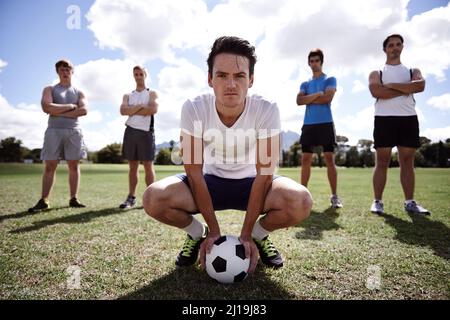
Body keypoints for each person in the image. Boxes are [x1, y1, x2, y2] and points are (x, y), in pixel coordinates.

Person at [143, 36, 313, 274]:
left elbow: (264, 175)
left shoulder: (266, 109)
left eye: (239, 76)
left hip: (254, 185)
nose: (231, 84)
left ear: (251, 80)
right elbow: (193, 173)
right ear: (210, 79)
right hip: (209, 182)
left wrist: (246, 234)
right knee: (153, 198)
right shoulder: (193, 108)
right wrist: (212, 230)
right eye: (222, 75)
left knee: (301, 201)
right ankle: (196, 234)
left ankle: (260, 236)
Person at [368, 34, 429, 215]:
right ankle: (377, 201)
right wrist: (405, 88)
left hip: (408, 118)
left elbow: (420, 86)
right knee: (382, 162)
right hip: (384, 119)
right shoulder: (377, 73)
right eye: (391, 45)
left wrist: (391, 86)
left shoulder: (412, 71)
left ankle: (410, 202)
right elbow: (376, 91)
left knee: (407, 161)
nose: (395, 47)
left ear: (402, 47)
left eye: (398, 44)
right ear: (385, 49)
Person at [28, 59, 88, 213]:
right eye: (62, 69)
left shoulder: (79, 92)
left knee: (74, 165)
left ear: (72, 71)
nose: (65, 72)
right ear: (57, 72)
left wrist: (57, 110)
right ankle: (44, 200)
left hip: (74, 132)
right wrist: (69, 107)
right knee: (50, 166)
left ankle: (74, 198)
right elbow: (46, 107)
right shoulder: (49, 89)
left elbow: (83, 111)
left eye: (68, 69)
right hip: (53, 131)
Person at [296, 49, 343, 209]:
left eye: (317, 60)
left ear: (321, 62)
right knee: (306, 160)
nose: (314, 63)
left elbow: (328, 98)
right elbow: (299, 100)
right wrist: (317, 95)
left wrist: (310, 98)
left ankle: (335, 196)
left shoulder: (330, 79)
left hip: (325, 123)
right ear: (309, 63)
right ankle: (302, 194)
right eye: (312, 61)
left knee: (329, 159)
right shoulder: (305, 83)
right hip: (309, 125)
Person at [119, 66, 158, 209]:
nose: (138, 76)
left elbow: (153, 109)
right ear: (133, 76)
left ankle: (153, 197)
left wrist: (132, 110)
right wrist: (141, 107)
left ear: (145, 75)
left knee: (148, 165)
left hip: (146, 133)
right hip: (130, 132)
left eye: (141, 74)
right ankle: (131, 197)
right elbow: (123, 110)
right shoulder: (128, 95)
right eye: (136, 74)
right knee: (133, 167)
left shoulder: (152, 93)